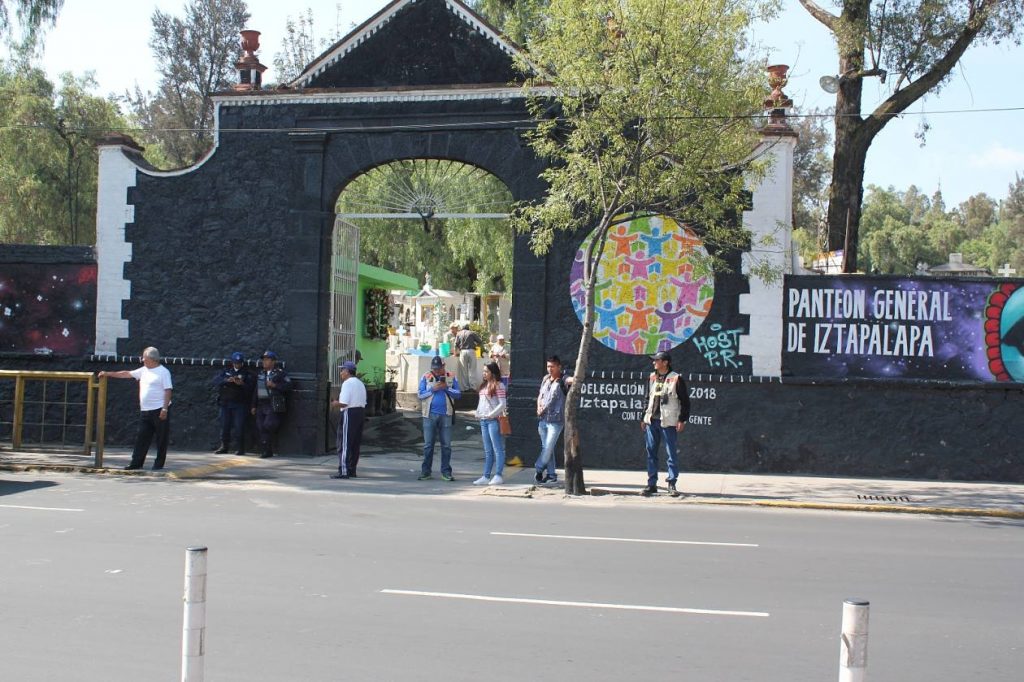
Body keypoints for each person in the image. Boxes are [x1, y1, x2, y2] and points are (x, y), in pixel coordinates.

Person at [98, 346, 173, 470]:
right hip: (145, 410)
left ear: (152, 359)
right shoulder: (143, 370)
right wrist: (108, 374)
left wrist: (164, 409)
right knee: (142, 437)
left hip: (159, 409)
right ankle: (136, 463)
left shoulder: (163, 372)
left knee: (161, 438)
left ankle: (159, 463)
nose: (142, 360)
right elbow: (127, 374)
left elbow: (168, 390)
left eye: (144, 358)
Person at [641, 350, 691, 496]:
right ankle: (651, 484)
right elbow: (647, 398)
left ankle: (672, 483)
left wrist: (682, 419)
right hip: (651, 421)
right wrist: (643, 417)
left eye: (656, 360)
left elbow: (685, 402)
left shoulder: (676, 378)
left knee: (671, 453)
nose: (654, 363)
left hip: (668, 421)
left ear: (665, 362)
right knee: (651, 453)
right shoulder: (652, 377)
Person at [417, 355, 461, 481]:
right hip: (429, 415)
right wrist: (432, 389)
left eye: (438, 368)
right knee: (428, 445)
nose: (436, 371)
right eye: (434, 368)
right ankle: (426, 471)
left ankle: (446, 472)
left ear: (444, 366)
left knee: (446, 445)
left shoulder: (451, 376)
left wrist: (446, 388)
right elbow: (420, 394)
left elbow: (458, 394)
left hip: (446, 414)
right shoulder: (426, 376)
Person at [535, 355, 573, 485]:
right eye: (548, 366)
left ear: (559, 367)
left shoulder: (563, 379)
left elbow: (572, 380)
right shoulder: (546, 379)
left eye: (552, 366)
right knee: (547, 449)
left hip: (556, 421)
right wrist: (538, 407)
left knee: (548, 447)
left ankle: (538, 468)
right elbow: (540, 396)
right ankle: (551, 475)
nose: (550, 369)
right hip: (543, 419)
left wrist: (576, 377)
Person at [251, 350, 292, 458]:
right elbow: (256, 390)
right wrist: (253, 405)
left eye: (267, 359)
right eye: (263, 360)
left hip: (273, 403)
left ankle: (269, 448)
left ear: (273, 361)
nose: (264, 362)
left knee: (268, 425)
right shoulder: (261, 374)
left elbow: (288, 386)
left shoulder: (280, 373)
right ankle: (266, 450)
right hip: (261, 403)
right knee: (260, 427)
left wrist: (275, 385)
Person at [330, 360, 366, 479]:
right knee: (355, 443)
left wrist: (335, 403)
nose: (341, 373)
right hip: (360, 412)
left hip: (349, 413)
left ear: (347, 371)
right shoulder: (360, 383)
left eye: (342, 370)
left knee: (344, 443)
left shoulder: (347, 383)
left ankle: (344, 471)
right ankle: (351, 469)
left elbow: (344, 403)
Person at [212, 351, 253, 455]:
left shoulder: (246, 373)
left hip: (239, 404)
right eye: (235, 362)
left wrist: (242, 384)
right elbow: (216, 381)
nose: (237, 364)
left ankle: (240, 448)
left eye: (239, 363)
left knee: (239, 426)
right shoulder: (226, 371)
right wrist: (227, 380)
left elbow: (251, 389)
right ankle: (224, 446)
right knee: (224, 425)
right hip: (225, 403)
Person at [473, 362, 507, 486]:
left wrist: (492, 414)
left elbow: (502, 404)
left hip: (493, 420)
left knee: (497, 448)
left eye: (486, 371)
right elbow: (481, 402)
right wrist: (478, 412)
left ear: (493, 372)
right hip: (483, 420)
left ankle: (498, 475)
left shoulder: (499, 385)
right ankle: (486, 476)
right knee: (488, 450)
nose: (484, 373)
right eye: (483, 371)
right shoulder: (483, 386)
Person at [454, 323, 482, 390]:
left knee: (464, 371)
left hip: (463, 352)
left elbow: (455, 344)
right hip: (471, 351)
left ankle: (465, 388)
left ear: (462, 328)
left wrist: (455, 353)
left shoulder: (459, 334)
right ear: (468, 328)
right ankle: (473, 387)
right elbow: (480, 341)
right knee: (472, 370)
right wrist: (475, 345)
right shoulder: (472, 333)